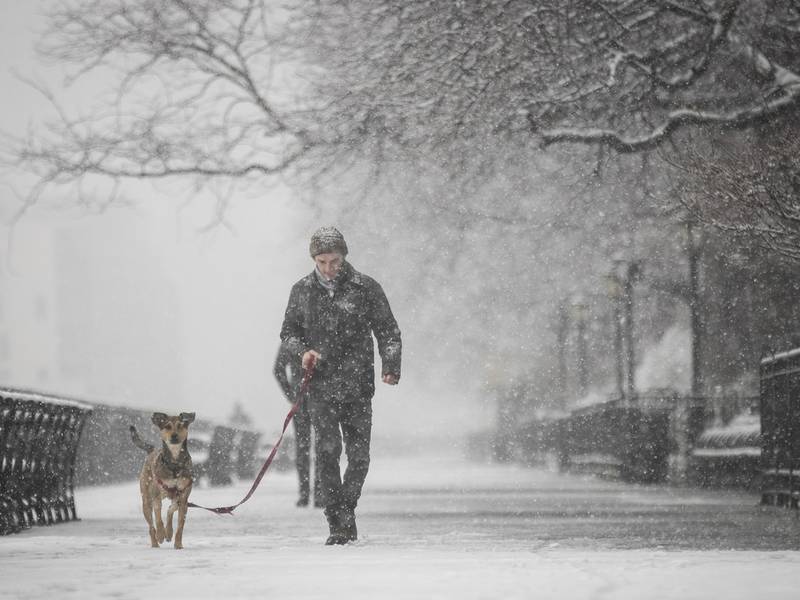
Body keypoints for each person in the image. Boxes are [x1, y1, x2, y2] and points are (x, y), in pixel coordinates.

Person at [280, 226, 401, 545]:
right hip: (320, 387)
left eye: (333, 261)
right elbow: (288, 333)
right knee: (328, 451)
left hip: (358, 386)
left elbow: (388, 330)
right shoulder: (301, 291)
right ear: (314, 260)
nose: (328, 268)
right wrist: (302, 352)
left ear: (344, 257)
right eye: (321, 262)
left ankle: (347, 507)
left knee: (360, 457)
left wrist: (391, 366)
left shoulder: (366, 288)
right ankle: (337, 520)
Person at [273, 343, 323, 508]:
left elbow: (278, 369)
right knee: (321, 447)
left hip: (300, 399)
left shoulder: (291, 341)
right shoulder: (319, 337)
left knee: (304, 447)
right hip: (318, 399)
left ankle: (305, 494)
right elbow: (278, 370)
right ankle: (318, 493)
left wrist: (290, 393)